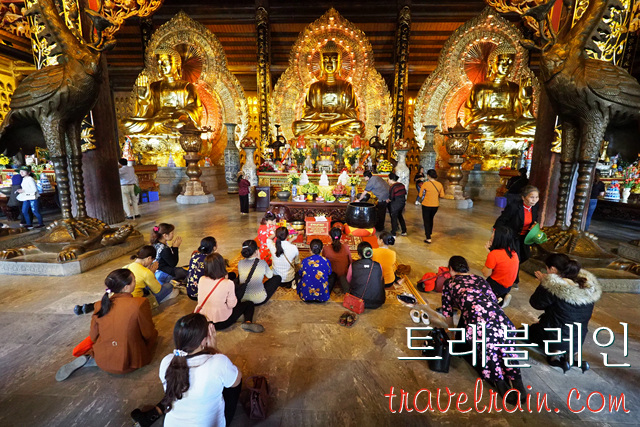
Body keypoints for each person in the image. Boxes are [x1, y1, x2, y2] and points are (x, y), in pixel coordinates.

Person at [130, 313, 242, 427]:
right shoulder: (218, 362)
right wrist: (214, 350)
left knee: (176, 385)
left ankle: (154, 414)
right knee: (233, 380)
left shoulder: (167, 362)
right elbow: (236, 379)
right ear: (203, 341)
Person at [442, 256, 526, 404]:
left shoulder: (450, 283)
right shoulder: (480, 279)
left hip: (479, 324)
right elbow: (492, 299)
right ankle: (516, 380)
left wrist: (451, 332)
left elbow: (447, 312)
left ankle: (499, 382)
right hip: (500, 319)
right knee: (507, 347)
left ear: (451, 269)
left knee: (489, 351)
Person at [55, 269, 158, 381]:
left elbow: (93, 336)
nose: (135, 282)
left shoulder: (99, 305)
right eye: (134, 280)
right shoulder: (140, 303)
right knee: (153, 335)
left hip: (102, 361)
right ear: (125, 287)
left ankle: (93, 356)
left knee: (107, 337)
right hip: (130, 363)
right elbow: (148, 334)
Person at [529, 254, 601, 372]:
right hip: (578, 337)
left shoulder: (555, 286)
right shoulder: (586, 285)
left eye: (547, 269)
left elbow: (535, 303)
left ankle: (555, 354)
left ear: (553, 269)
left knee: (528, 332)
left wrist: (544, 284)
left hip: (556, 335)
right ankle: (571, 354)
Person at [197, 253, 264, 333]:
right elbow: (232, 305)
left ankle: (241, 318)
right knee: (249, 304)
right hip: (222, 322)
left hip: (204, 321)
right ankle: (248, 321)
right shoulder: (228, 283)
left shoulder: (201, 279)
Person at [494, 185, 539, 285]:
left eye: (537, 197)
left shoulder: (535, 207)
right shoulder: (514, 207)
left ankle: (508, 269)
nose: (534, 200)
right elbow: (501, 220)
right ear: (523, 197)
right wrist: (496, 233)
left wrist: (534, 225)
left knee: (526, 255)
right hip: (512, 236)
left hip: (525, 236)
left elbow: (535, 219)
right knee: (516, 258)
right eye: (532, 197)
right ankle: (514, 279)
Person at [482, 226, 519, 308]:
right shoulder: (513, 252)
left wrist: (489, 254)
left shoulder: (494, 254)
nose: (491, 237)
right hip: (507, 287)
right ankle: (502, 297)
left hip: (496, 286)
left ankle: (499, 302)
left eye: (493, 235)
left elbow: (485, 273)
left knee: (480, 300)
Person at [239, 239, 282, 305]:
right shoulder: (262, 263)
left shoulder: (240, 263)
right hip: (259, 300)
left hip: (243, 299)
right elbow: (270, 276)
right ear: (257, 251)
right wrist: (259, 260)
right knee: (277, 278)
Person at [346, 241, 385, 309]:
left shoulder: (353, 265)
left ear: (359, 254)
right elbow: (380, 279)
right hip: (377, 302)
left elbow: (348, 280)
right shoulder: (378, 265)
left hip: (357, 302)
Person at [186, 236, 217, 301]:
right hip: (200, 295)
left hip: (190, 292)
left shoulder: (195, 255)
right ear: (214, 247)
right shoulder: (210, 260)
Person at [322, 227, 352, 294]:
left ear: (330, 237)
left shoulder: (326, 248)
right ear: (341, 236)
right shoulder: (346, 247)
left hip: (331, 276)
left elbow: (324, 263)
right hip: (344, 275)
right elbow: (350, 262)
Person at [418, 169, 445, 244]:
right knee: (431, 219)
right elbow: (442, 195)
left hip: (426, 204)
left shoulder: (425, 184)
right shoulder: (439, 184)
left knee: (426, 220)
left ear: (428, 176)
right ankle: (429, 232)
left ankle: (428, 237)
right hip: (435, 205)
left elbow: (420, 195)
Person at [386, 172, 407, 237]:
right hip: (402, 203)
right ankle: (404, 231)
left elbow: (391, 197)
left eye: (388, 179)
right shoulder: (401, 185)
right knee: (400, 216)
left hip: (395, 204)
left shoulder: (393, 187)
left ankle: (393, 233)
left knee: (394, 218)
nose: (388, 180)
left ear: (391, 179)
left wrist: (387, 200)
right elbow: (404, 193)